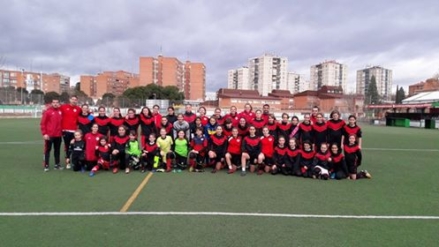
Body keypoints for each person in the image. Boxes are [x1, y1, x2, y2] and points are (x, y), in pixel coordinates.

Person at [40, 98, 63, 171]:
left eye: (57, 102)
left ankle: (57, 165)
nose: (55, 104)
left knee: (57, 150)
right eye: (54, 102)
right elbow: (43, 123)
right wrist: (44, 133)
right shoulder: (48, 112)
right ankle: (46, 165)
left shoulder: (60, 111)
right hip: (49, 135)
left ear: (59, 103)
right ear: (52, 103)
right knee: (47, 150)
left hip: (58, 135)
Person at [60, 95, 81, 169]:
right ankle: (68, 162)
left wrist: (91, 118)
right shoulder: (63, 107)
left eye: (75, 99)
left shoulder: (78, 109)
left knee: (75, 146)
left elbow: (87, 115)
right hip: (66, 131)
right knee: (67, 147)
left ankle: (75, 161)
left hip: (75, 132)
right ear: (70, 100)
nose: (74, 101)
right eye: (73, 99)